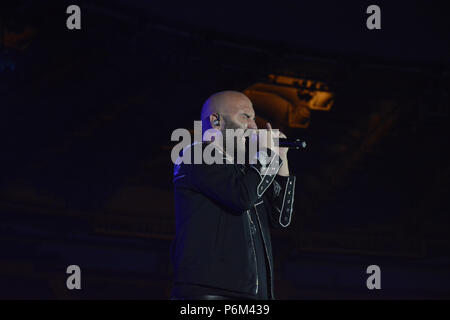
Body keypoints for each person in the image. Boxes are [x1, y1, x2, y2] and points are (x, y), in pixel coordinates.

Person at [170, 90, 296, 300]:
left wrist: (281, 159)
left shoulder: (246, 172)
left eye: (254, 118)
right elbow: (241, 198)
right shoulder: (195, 155)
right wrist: (265, 155)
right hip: (212, 293)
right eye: (245, 116)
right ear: (216, 120)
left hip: (254, 296)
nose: (254, 126)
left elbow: (281, 218)